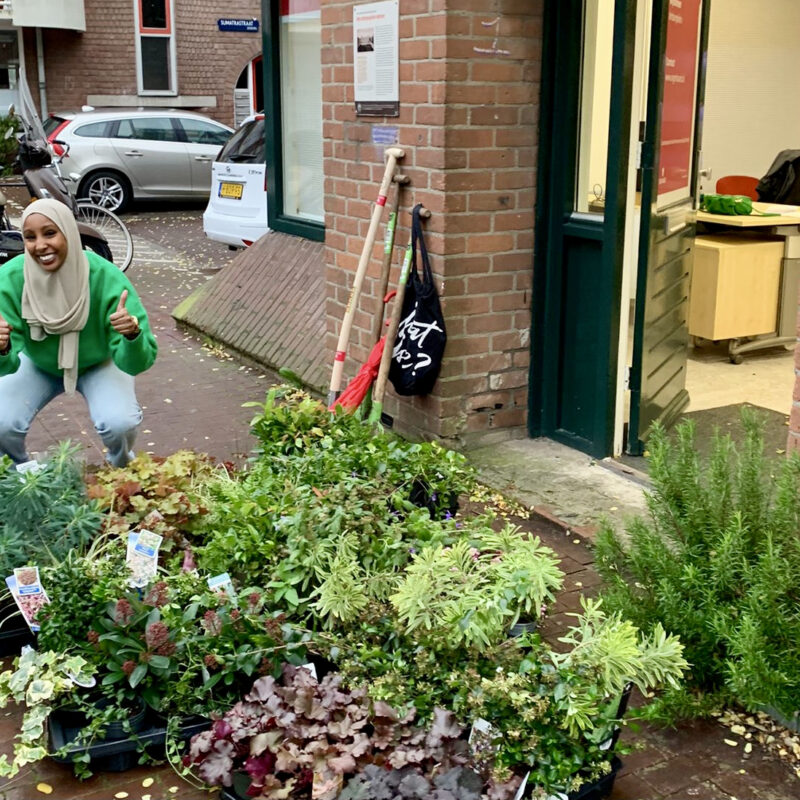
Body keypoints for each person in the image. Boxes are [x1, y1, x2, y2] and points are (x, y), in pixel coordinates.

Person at [0, 198, 157, 467]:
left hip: (99, 361)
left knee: (119, 423)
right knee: (2, 422)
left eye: (50, 233)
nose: (40, 245)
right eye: (30, 237)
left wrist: (132, 335)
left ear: (69, 233)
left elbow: (138, 363)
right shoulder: (11, 278)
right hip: (39, 362)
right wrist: (2, 347)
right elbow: (6, 363)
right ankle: (20, 474)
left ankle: (120, 470)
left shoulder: (105, 276)